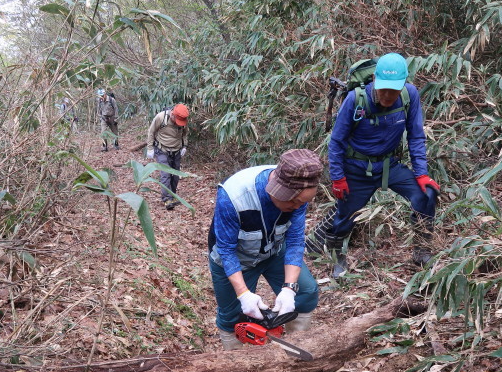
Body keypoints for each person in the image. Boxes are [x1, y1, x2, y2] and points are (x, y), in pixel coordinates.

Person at [310, 52, 440, 276]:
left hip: (390, 165)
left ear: (403, 85)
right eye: (384, 89)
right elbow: (337, 142)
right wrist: (338, 177)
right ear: (374, 81)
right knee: (346, 213)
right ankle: (338, 257)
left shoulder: (410, 96)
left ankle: (422, 250)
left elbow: (416, 136)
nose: (388, 96)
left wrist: (421, 174)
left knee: (426, 194)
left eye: (394, 90)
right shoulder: (356, 99)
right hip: (357, 167)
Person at [208, 149, 323, 350]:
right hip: (236, 258)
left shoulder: (301, 193)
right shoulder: (234, 196)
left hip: (274, 250)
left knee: (306, 292)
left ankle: (295, 348)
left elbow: (295, 241)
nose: (298, 207)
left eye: (302, 202)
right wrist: (243, 294)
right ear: (276, 189)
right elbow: (226, 249)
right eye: (293, 201)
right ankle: (235, 364)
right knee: (232, 317)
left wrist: (289, 288)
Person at [146, 103, 189, 210]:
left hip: (176, 150)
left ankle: (172, 195)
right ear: (173, 115)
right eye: (177, 120)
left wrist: (184, 146)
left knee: (175, 175)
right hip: (162, 149)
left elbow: (185, 134)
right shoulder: (161, 118)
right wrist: (150, 148)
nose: (179, 124)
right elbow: (151, 132)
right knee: (165, 174)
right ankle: (167, 199)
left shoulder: (183, 121)